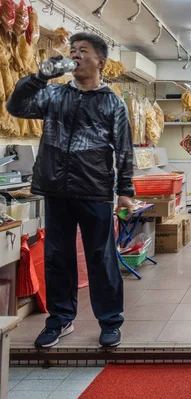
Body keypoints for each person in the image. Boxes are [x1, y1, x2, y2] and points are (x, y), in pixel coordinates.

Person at [6, 32, 134, 348]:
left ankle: (110, 321)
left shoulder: (112, 103)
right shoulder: (54, 96)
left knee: (101, 258)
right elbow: (15, 105)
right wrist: (38, 77)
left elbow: (124, 150)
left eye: (83, 51)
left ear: (100, 61)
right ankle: (60, 320)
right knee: (57, 259)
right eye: (72, 50)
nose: (75, 55)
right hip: (55, 190)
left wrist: (126, 191)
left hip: (95, 191)